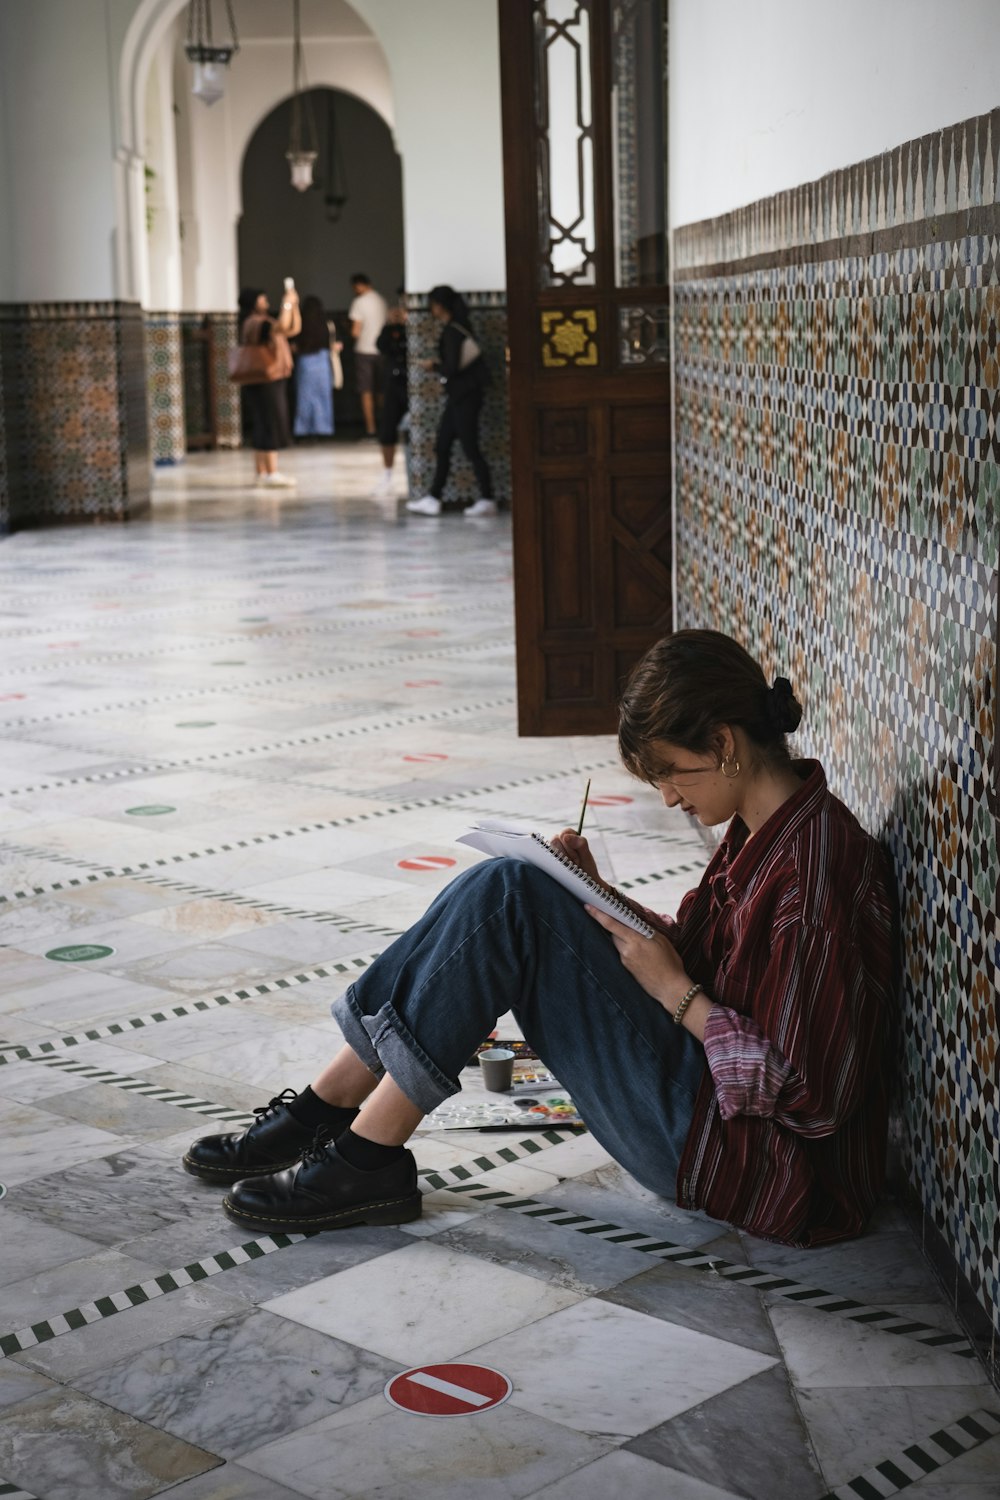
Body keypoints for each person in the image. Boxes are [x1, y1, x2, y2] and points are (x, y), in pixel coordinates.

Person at [183, 629, 894, 1248]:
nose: (671, 800)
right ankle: (332, 1113)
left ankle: (358, 1149)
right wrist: (594, 891)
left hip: (747, 1162)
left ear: (723, 744)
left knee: (512, 898)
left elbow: (811, 1095)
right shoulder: (765, 832)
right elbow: (709, 962)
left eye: (671, 775)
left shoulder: (812, 875)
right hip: (704, 1106)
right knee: (515, 884)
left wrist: (676, 994)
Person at [406, 285, 497, 518]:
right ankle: (433, 497)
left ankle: (487, 498)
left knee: (470, 447)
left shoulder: (453, 331)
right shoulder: (458, 327)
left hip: (465, 396)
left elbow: (452, 367)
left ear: (440, 306)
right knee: (443, 445)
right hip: (459, 397)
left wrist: (433, 365)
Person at [238, 286, 301, 488]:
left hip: (267, 379)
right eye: (263, 299)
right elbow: (283, 325)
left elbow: (292, 329)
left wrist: (294, 306)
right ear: (254, 302)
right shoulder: (256, 323)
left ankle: (262, 472)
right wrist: (287, 303)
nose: (266, 302)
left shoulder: (262, 322)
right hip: (266, 379)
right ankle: (271, 472)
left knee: (263, 423)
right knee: (270, 423)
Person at [371, 296, 408, 497]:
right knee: (387, 429)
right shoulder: (391, 329)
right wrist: (389, 325)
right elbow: (381, 345)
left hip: (414, 384)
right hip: (393, 383)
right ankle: (387, 475)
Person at [348, 273, 388, 439]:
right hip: (382, 351)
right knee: (382, 391)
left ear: (358, 286)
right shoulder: (382, 300)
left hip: (365, 351)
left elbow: (355, 331)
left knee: (366, 391)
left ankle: (370, 429)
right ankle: (385, 425)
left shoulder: (359, 302)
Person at [292, 295, 334, 439]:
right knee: (323, 397)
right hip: (322, 361)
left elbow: (295, 344)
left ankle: (303, 430)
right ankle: (323, 429)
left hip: (305, 361)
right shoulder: (325, 324)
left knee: (305, 397)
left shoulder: (301, 323)